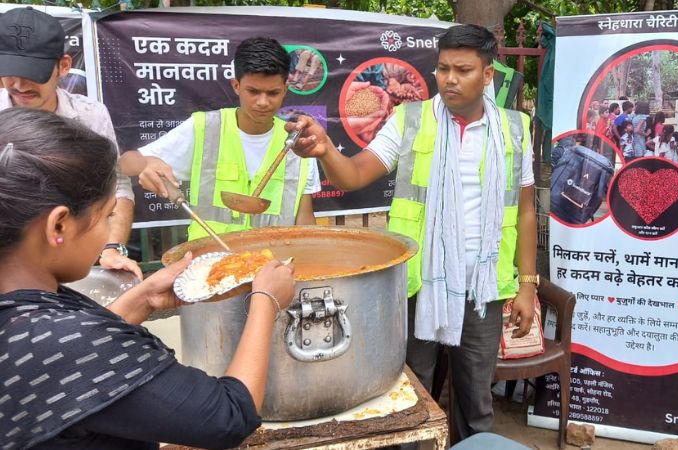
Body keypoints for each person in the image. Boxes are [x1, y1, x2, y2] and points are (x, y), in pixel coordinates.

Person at [288, 24, 538, 441]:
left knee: (477, 400)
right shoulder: (409, 119)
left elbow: (526, 211)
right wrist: (327, 151)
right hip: (418, 285)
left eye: (463, 69)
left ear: (488, 74)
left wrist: (527, 284)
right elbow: (354, 175)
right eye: (443, 69)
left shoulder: (515, 128)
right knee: (408, 391)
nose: (450, 79)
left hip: (482, 288)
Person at [0, 108, 297, 449]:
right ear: (58, 226)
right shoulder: (56, 339)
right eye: (107, 215)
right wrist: (266, 300)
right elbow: (228, 416)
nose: (110, 231)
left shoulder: (29, 309)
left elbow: (66, 365)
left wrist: (143, 299)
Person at [120, 37, 321, 239]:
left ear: (285, 90)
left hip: (275, 264)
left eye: (273, 93)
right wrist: (145, 163)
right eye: (253, 91)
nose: (263, 102)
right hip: (210, 262)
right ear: (236, 86)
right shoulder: (204, 129)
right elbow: (126, 163)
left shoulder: (297, 141)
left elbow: (304, 218)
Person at [0, 7, 141, 279]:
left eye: (32, 73)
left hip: (72, 260)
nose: (18, 84)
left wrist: (110, 248)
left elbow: (116, 185)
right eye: (8, 71)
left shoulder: (90, 116)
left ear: (63, 66)